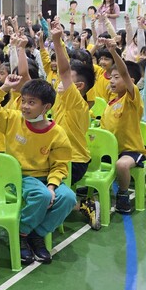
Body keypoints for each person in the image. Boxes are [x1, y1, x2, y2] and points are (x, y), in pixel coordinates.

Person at [0, 75, 76, 265]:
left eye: (31, 102)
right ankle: (21, 233)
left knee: (69, 198)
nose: (24, 106)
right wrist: (4, 87)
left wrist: (52, 185)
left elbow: (60, 165)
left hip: (44, 179)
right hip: (17, 178)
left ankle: (35, 234)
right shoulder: (12, 119)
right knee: (42, 196)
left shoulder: (57, 134)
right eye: (23, 101)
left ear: (46, 107)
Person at [50, 25, 100, 230]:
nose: (61, 79)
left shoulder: (78, 104)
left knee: (47, 192)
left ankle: (82, 205)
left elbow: (63, 70)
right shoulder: (60, 98)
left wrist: (55, 41)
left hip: (75, 161)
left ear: (78, 86)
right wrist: (60, 42)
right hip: (57, 157)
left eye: (67, 79)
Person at [100, 39, 145, 213]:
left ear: (130, 81)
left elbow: (125, 73)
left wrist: (113, 52)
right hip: (112, 151)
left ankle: (123, 195)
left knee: (122, 165)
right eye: (111, 77)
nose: (111, 81)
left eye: (116, 77)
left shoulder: (131, 98)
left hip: (131, 151)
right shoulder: (109, 104)